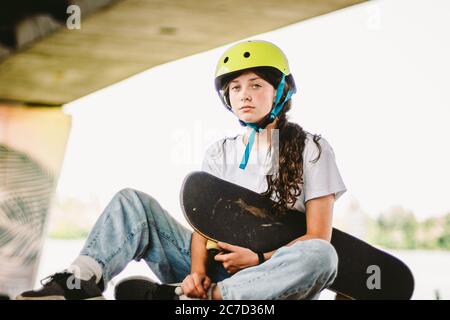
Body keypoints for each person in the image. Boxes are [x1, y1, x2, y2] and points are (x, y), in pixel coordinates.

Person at [16, 40, 346, 300]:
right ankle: (78, 282)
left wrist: (258, 260)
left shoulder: (312, 149)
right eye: (235, 88)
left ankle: (212, 299)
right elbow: (203, 225)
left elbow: (317, 235)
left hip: (271, 281)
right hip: (214, 270)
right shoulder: (221, 151)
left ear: (280, 91)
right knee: (132, 202)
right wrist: (198, 274)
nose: (244, 95)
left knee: (321, 255)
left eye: (256, 85)